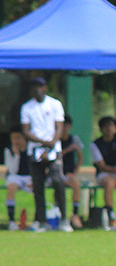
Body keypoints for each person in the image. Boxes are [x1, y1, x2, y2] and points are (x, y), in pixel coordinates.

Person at [20, 76, 72, 232]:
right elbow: (26, 130)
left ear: (45, 88)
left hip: (53, 149)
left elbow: (59, 126)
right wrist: (41, 142)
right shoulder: (27, 107)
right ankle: (42, 221)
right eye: (35, 86)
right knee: (38, 186)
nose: (38, 89)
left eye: (40, 86)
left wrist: (52, 143)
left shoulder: (55, 104)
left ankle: (64, 219)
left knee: (57, 181)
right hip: (35, 149)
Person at [59, 115, 85, 229]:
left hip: (69, 172)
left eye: (66, 125)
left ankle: (75, 214)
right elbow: (54, 155)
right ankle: (59, 214)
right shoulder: (54, 139)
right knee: (57, 186)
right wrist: (67, 150)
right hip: (56, 172)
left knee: (76, 184)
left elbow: (80, 157)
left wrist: (75, 172)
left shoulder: (74, 139)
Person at [4, 129, 32, 230]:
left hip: (30, 177)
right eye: (13, 138)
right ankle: (11, 221)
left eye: (18, 138)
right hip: (15, 176)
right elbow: (12, 170)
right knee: (11, 187)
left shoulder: (31, 148)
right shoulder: (8, 150)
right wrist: (16, 155)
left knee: (38, 187)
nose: (16, 141)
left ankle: (38, 220)